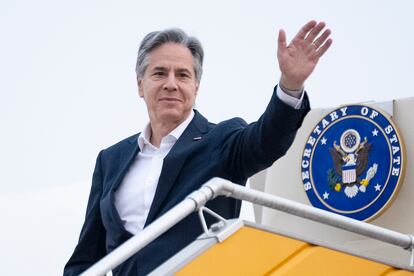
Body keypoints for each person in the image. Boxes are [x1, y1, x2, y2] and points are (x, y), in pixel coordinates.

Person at [64, 21, 332, 275]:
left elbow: (266, 141)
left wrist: (290, 85)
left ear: (196, 86)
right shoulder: (110, 160)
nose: (171, 84)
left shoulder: (221, 140)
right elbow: (88, 257)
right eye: (159, 73)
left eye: (182, 75)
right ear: (140, 85)